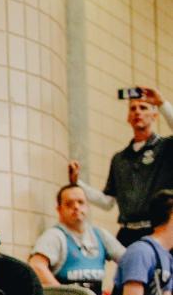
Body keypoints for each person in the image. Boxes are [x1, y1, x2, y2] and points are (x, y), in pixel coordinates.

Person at [68, 86, 173, 246]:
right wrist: (77, 183)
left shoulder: (165, 147)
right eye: (133, 108)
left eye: (143, 107)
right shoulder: (120, 159)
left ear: (155, 115)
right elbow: (107, 202)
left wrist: (162, 103)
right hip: (128, 234)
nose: (137, 112)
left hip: (158, 230)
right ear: (128, 117)